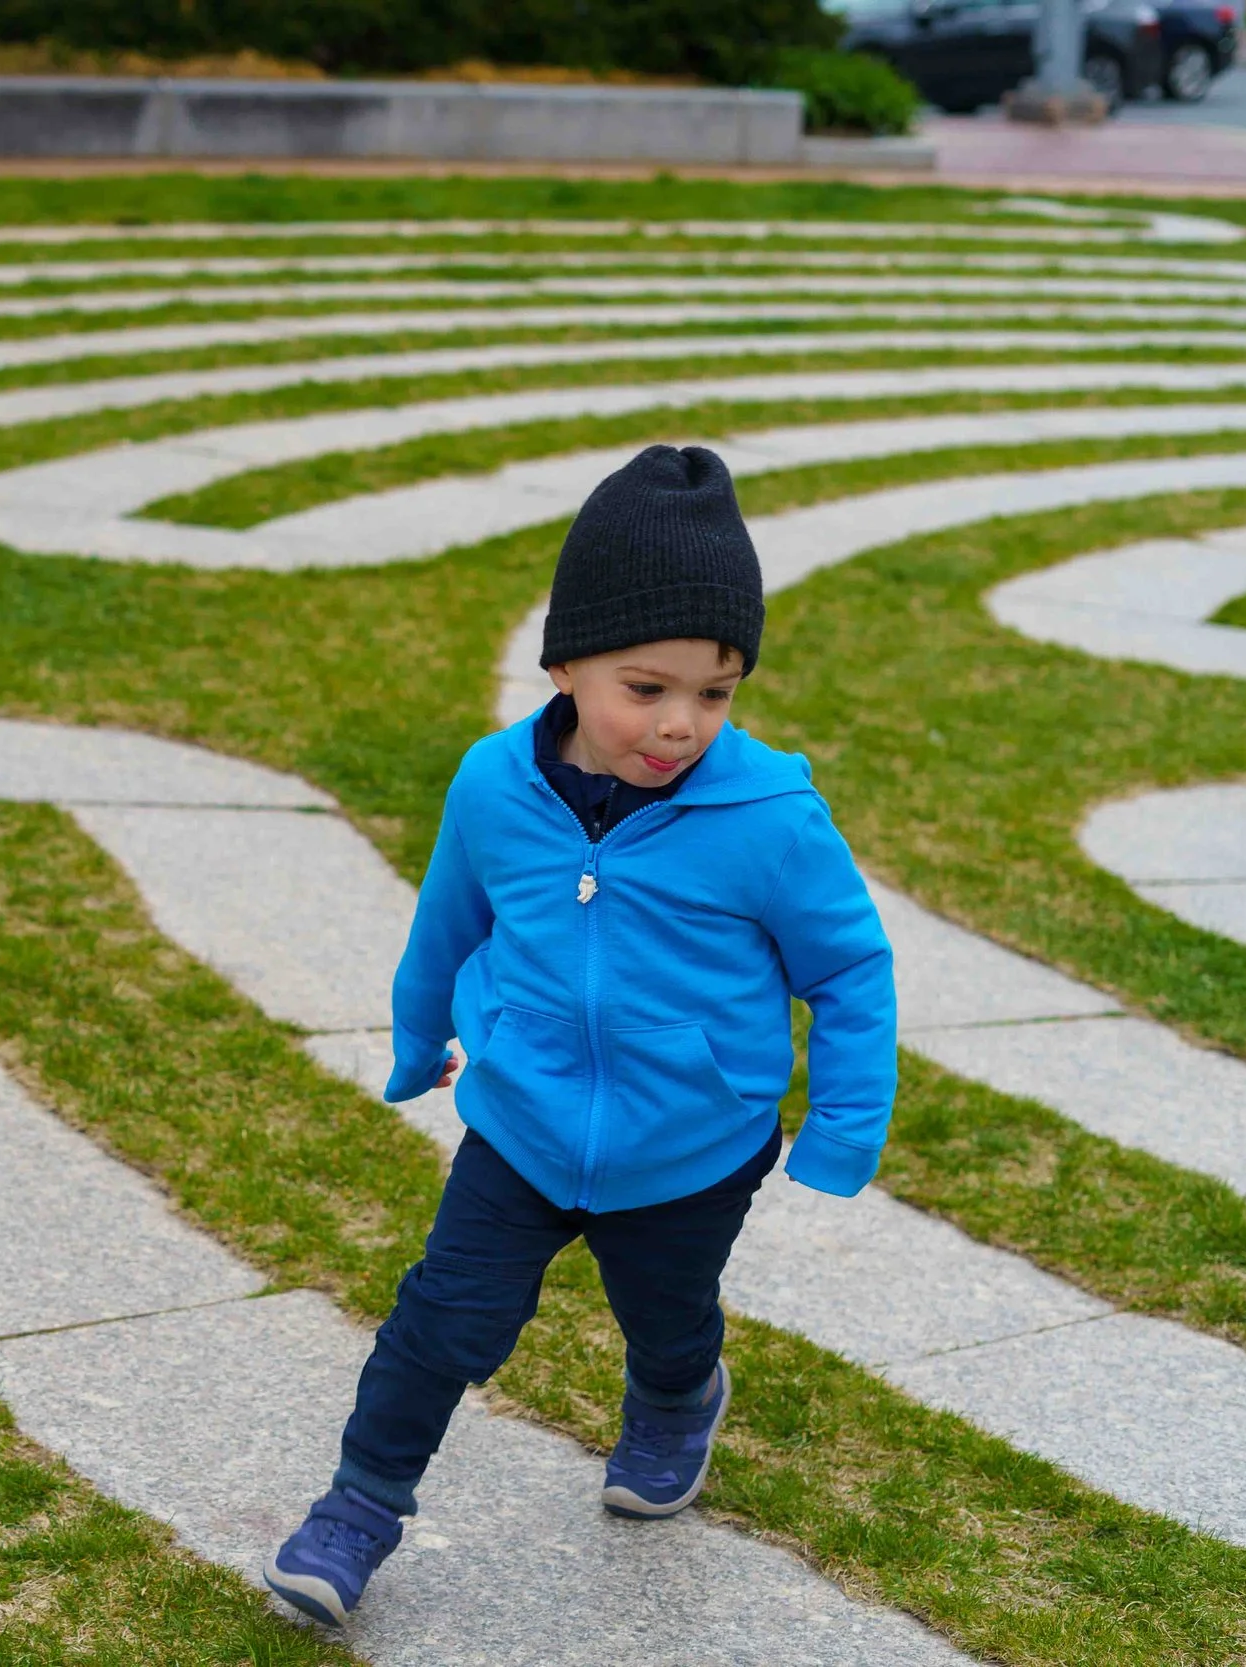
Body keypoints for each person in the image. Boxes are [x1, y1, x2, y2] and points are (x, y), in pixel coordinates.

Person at [263, 444, 897, 1629]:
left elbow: (849, 969)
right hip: (523, 1117)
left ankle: (676, 1398)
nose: (680, 723)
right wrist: (419, 1039)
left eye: (715, 692)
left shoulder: (769, 817)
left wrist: (842, 1129)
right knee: (442, 1318)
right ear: (564, 664)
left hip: (693, 1145)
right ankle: (357, 1509)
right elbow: (449, 920)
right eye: (644, 687)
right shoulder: (491, 784)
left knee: (665, 1316)